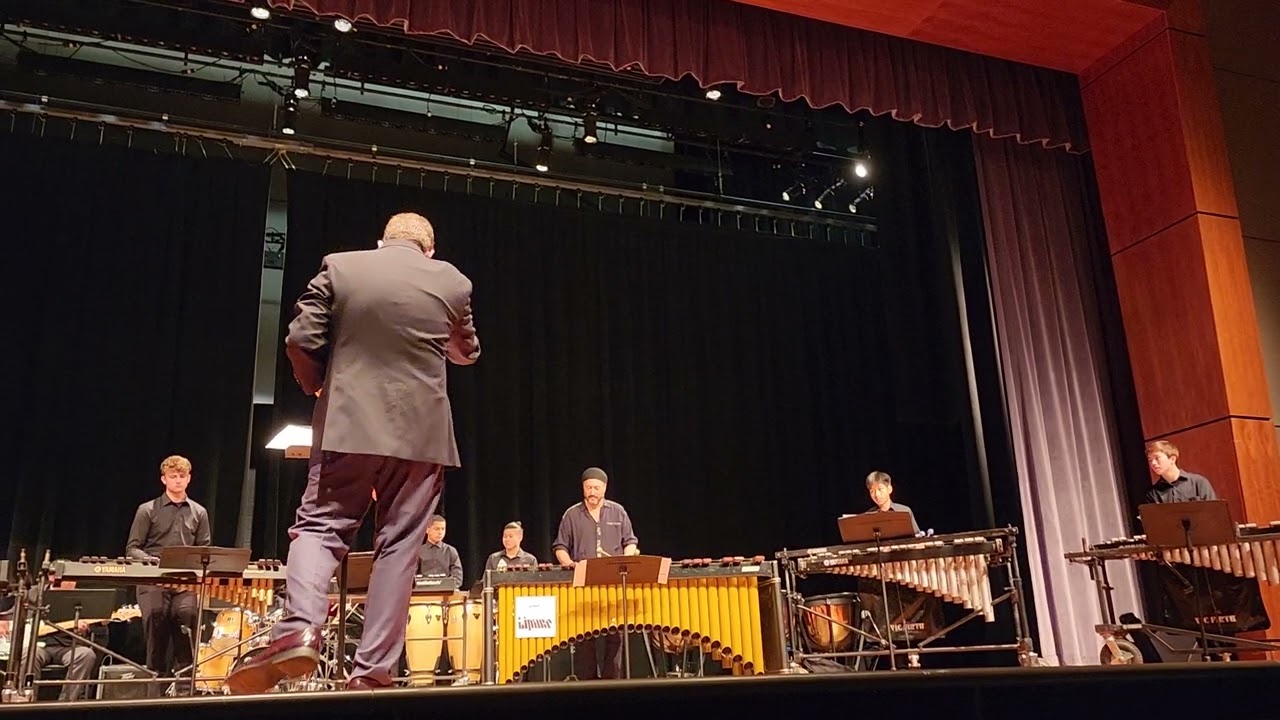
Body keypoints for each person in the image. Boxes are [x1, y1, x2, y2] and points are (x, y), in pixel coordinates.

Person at [227, 212, 480, 694]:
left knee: (320, 528)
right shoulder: (452, 280)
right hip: (422, 437)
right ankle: (372, 673)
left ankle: (299, 629)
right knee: (401, 547)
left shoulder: (341, 267)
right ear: (429, 250)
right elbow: (465, 352)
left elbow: (300, 338)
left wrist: (321, 386)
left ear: (381, 242)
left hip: (349, 424)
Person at [125, 455, 210, 685]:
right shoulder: (147, 510)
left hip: (184, 583)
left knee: (187, 620)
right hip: (153, 581)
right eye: (173, 477)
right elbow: (132, 549)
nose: (178, 481)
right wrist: (152, 561)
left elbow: (204, 551)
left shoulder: (199, 512)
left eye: (182, 476)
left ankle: (185, 687)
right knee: (156, 620)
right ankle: (156, 688)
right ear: (164, 479)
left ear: (189, 478)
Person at [552, 467, 638, 680]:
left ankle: (613, 681)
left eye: (596, 488)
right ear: (583, 488)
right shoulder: (571, 514)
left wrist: (624, 560)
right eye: (588, 487)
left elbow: (631, 542)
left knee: (615, 634)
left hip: (613, 581)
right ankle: (588, 682)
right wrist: (569, 563)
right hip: (584, 580)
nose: (592, 492)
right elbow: (560, 546)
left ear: (604, 489)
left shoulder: (618, 511)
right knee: (584, 635)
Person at [0, 575, 99, 702]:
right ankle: (26, 698)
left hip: (67, 647)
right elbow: (13, 614)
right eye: (67, 579)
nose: (71, 583)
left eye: (72, 580)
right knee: (28, 653)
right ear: (52, 577)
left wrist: (83, 629)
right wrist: (3, 621)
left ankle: (66, 703)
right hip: (39, 644)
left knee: (86, 654)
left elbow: (92, 624)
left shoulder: (79, 599)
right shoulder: (35, 593)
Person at [1144, 440, 1217, 503]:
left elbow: (1214, 512)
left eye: (1157, 458)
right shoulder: (1153, 494)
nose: (1153, 463)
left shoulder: (1198, 482)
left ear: (1172, 459)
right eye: (1150, 460)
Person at [863, 471, 922, 536]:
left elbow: (917, 537)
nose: (876, 494)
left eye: (880, 489)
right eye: (872, 491)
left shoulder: (904, 511)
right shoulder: (868, 516)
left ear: (889, 489)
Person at [417, 515, 463, 585]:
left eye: (443, 529)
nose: (440, 532)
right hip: (424, 592)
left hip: (446, 592)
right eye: (437, 529)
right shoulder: (419, 552)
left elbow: (458, 577)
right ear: (427, 530)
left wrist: (449, 586)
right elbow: (411, 575)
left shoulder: (450, 551)